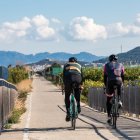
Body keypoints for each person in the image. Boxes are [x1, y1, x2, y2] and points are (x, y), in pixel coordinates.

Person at [103, 54, 124, 123]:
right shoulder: (121, 64)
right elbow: (122, 75)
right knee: (119, 88)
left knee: (109, 98)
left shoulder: (106, 65)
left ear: (109, 59)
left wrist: (106, 86)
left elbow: (105, 77)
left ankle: (109, 115)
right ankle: (119, 100)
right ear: (116, 59)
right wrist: (122, 83)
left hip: (110, 82)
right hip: (119, 81)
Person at [63, 57, 83, 121]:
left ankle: (68, 112)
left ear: (69, 61)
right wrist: (81, 85)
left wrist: (65, 85)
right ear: (76, 61)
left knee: (67, 96)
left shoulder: (66, 65)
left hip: (68, 80)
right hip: (77, 79)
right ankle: (78, 105)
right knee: (77, 92)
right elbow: (82, 76)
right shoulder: (79, 65)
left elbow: (63, 76)